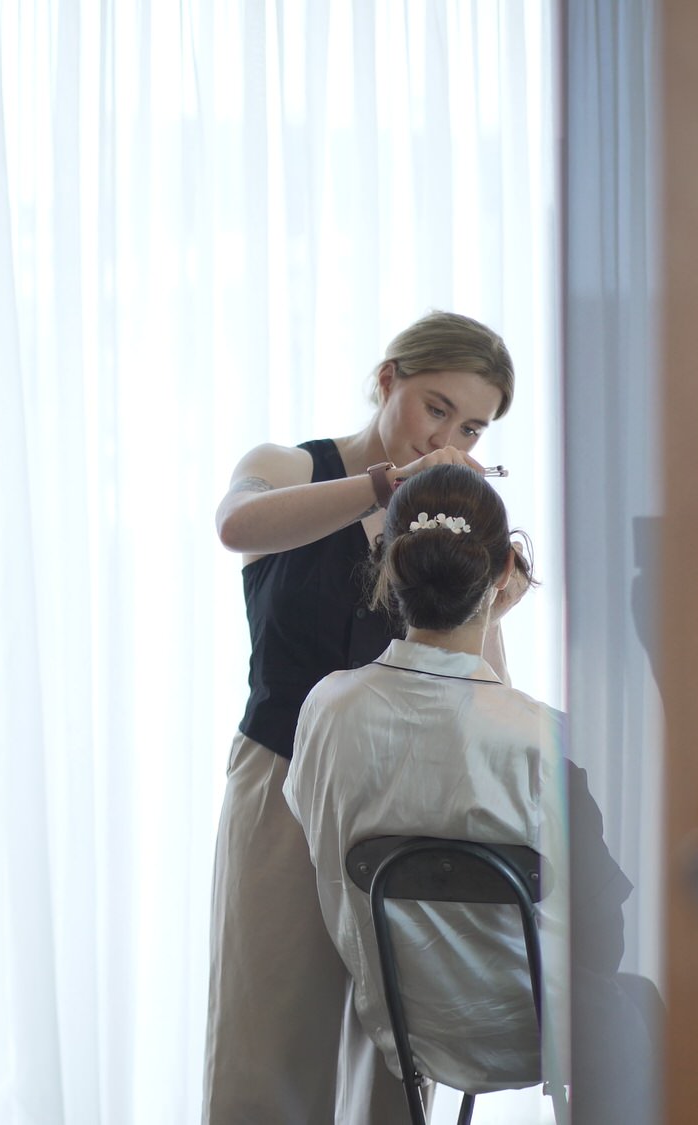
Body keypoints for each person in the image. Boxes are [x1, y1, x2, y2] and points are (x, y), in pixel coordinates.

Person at [205, 312, 516, 1123]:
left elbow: (481, 687)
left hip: (401, 796)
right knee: (263, 1033)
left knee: (398, 1049)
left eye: (473, 425)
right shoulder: (287, 466)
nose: (450, 435)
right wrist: (383, 486)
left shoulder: (447, 512)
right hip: (277, 781)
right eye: (436, 407)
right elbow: (236, 527)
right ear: (388, 381)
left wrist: (493, 608)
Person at [284, 463, 658, 1122]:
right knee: (645, 1002)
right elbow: (604, 942)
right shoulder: (542, 736)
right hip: (541, 1033)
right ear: (504, 573)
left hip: (409, 1029)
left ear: (387, 569)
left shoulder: (327, 709)